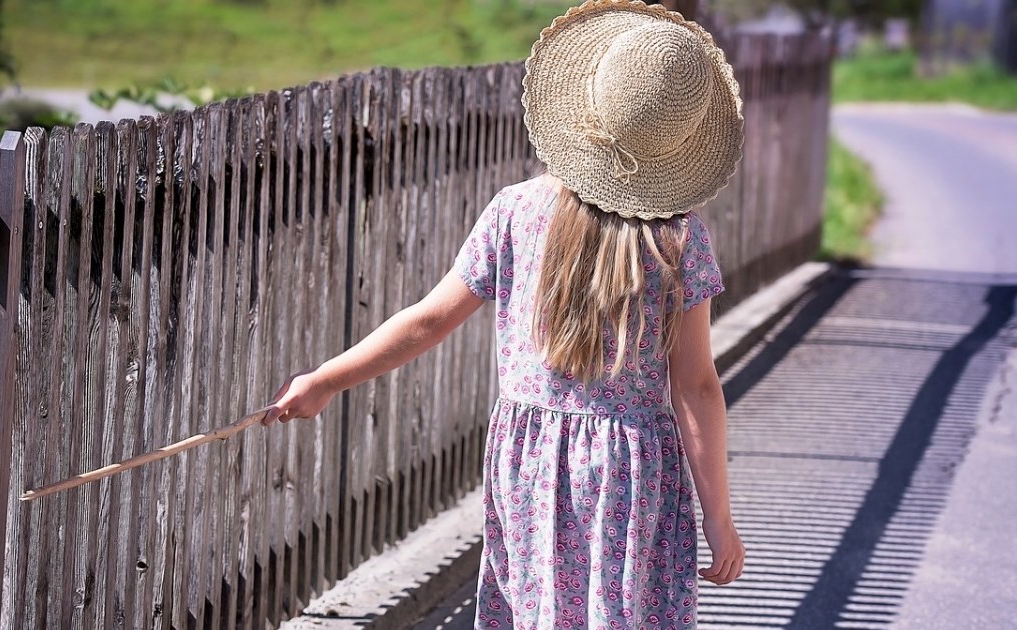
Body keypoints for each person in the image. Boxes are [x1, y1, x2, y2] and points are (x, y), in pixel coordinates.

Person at [263, 1, 745, 627]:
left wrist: (324, 379)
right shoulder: (677, 242)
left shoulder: (515, 212)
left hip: (532, 461)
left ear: (583, 111)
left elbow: (427, 321)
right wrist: (718, 514)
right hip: (632, 470)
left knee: (541, 608)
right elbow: (696, 384)